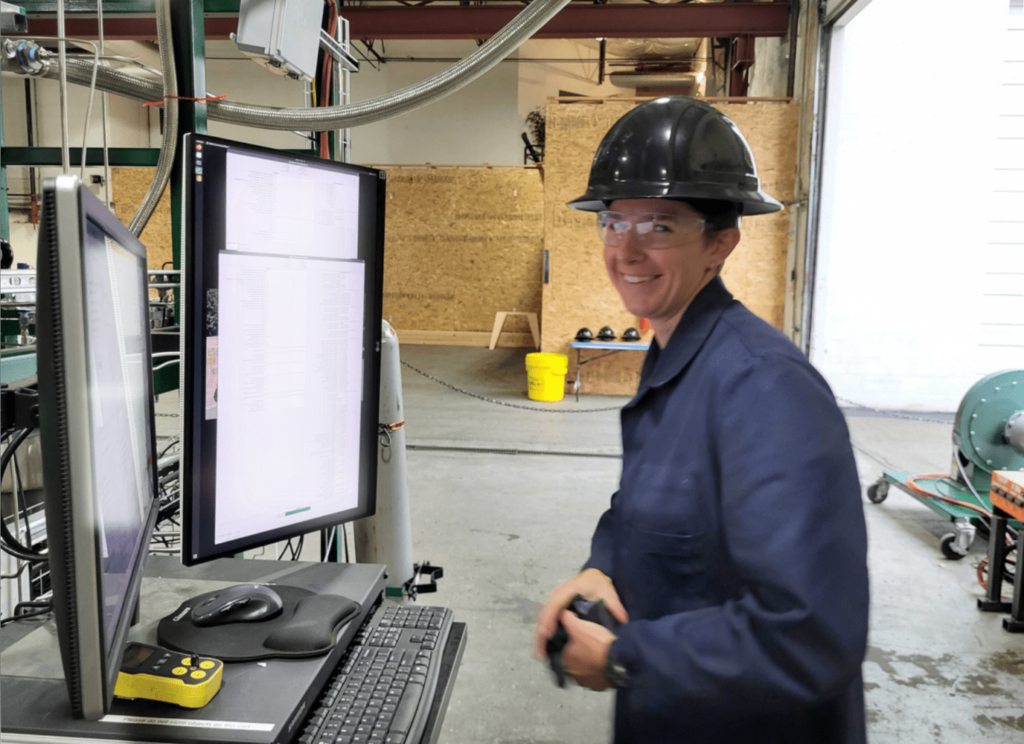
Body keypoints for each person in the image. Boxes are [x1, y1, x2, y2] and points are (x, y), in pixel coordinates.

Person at [533, 97, 869, 743]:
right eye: (613, 221)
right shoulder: (674, 355)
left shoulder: (764, 389)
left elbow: (811, 634)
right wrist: (602, 565)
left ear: (722, 241)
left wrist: (623, 658)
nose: (625, 250)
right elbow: (658, 504)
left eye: (659, 225)